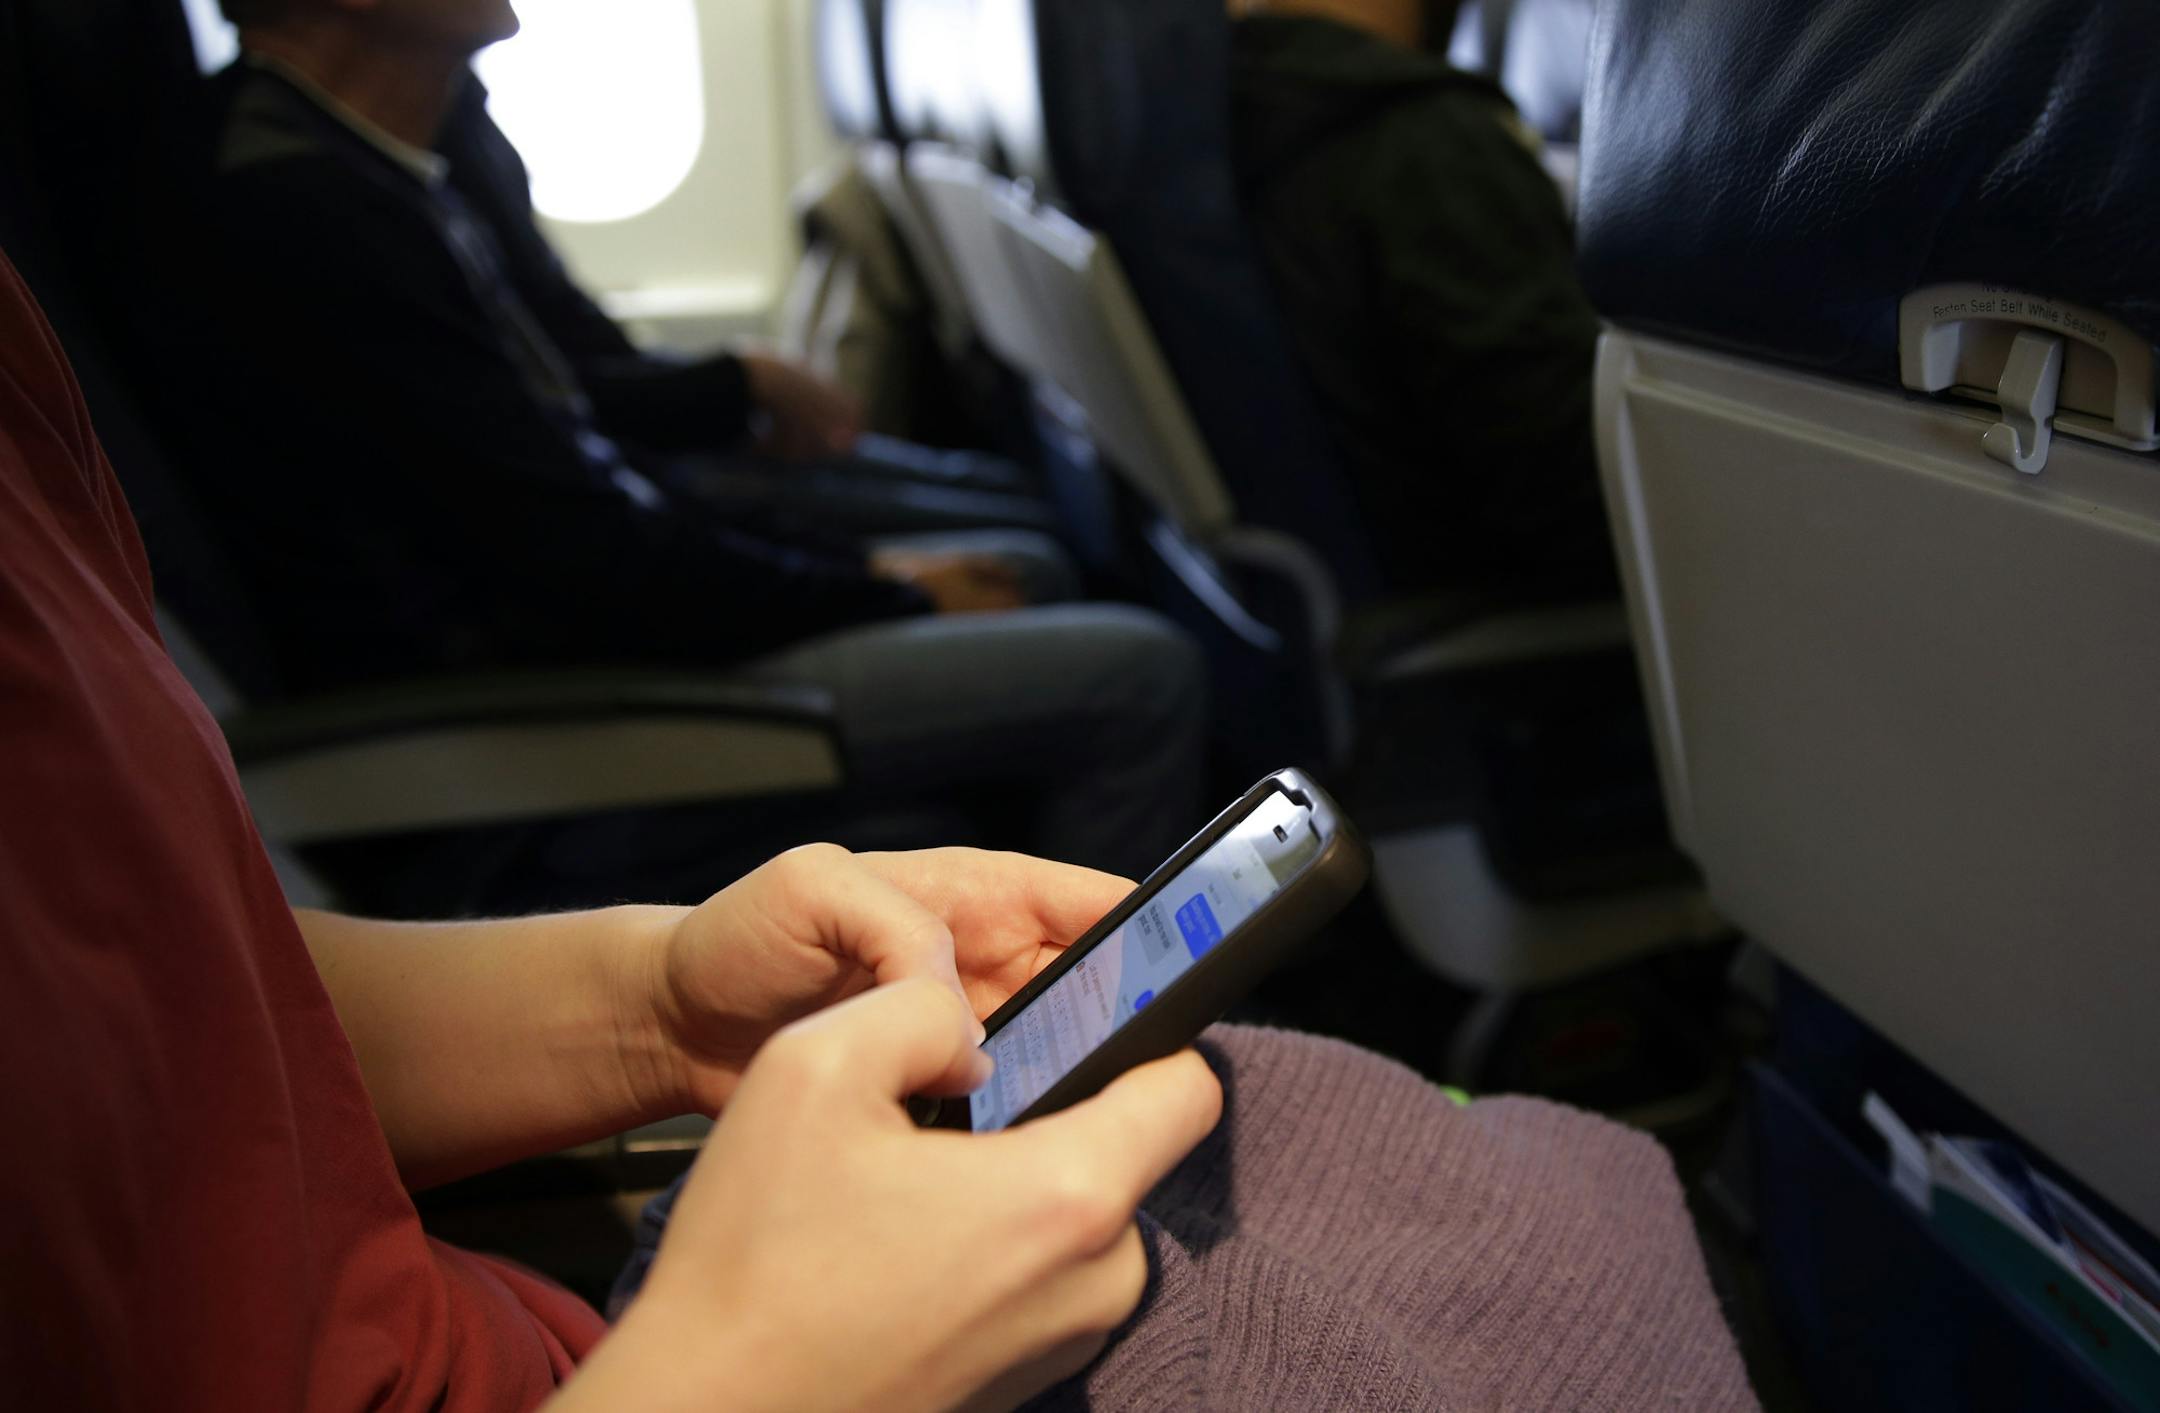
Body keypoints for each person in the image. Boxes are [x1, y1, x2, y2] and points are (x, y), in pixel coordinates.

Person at [1, 243, 1758, 1411]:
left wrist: (658, 1002)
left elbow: (141, 990)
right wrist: (751, 1379)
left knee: (1498, 1191)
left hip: (548, 1330)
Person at [115, 0, 1211, 886]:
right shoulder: (302, 210)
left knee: (1023, 575)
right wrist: (892, 593)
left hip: (582, 637)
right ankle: (1066, 1076)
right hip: (537, 716)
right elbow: (580, 558)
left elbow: (567, 465)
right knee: (1142, 677)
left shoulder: (367, 157)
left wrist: (861, 571)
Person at [1226, 0, 1618, 606]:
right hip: (1515, 626)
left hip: (1353, 589)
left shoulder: (1227, 112)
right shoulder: (1424, 144)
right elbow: (1577, 492)